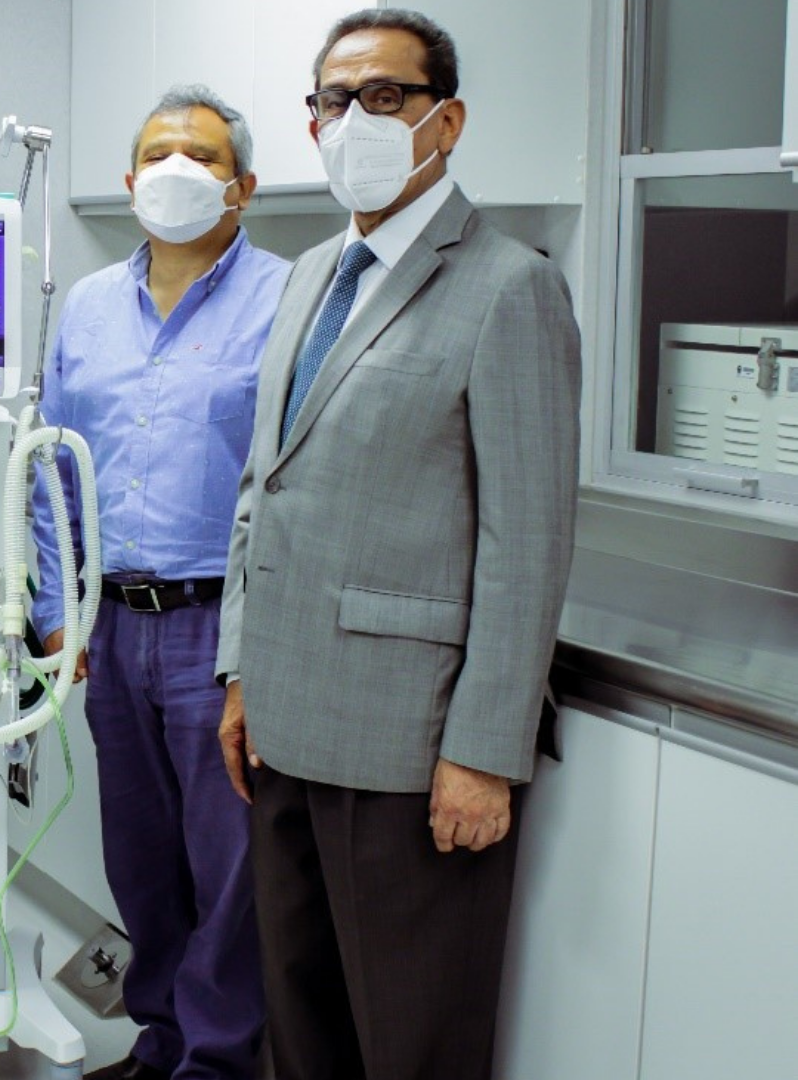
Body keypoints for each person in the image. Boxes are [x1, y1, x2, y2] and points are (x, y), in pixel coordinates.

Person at [216, 10, 581, 1079]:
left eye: (386, 97)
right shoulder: (307, 275)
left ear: (446, 121)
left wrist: (484, 753)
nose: (355, 120)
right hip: (284, 726)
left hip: (412, 751)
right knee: (302, 1028)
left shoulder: (509, 286)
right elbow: (262, 489)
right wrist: (241, 675)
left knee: (412, 1040)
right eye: (335, 100)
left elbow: (527, 544)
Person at [33, 85, 288, 1080]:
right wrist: (57, 612)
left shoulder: (289, 299)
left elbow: (295, 484)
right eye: (157, 154)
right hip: (113, 623)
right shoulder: (91, 306)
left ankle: (218, 1063)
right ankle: (162, 1040)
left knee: (228, 868)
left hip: (222, 625)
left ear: (243, 186)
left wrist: (256, 650)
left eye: (203, 155)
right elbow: (50, 471)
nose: (177, 170)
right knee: (141, 858)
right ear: (129, 180)